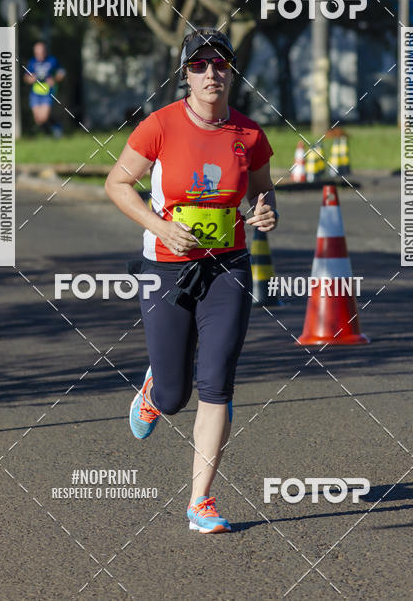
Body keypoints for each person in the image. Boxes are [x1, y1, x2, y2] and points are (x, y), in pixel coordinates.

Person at [105, 28, 278, 533]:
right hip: (166, 268)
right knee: (176, 396)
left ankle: (201, 501)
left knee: (218, 381)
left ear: (231, 71)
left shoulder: (249, 135)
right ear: (185, 73)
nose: (210, 74)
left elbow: (263, 196)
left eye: (220, 64)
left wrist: (265, 213)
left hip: (229, 267)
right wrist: (160, 227)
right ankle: (155, 389)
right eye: (199, 65)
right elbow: (117, 184)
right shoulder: (158, 127)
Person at [23, 41, 65, 135]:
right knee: (38, 120)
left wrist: (54, 79)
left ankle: (56, 128)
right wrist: (31, 79)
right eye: (37, 53)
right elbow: (26, 77)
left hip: (47, 92)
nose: (39, 55)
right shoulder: (32, 62)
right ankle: (54, 128)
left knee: (44, 117)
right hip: (35, 93)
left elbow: (61, 73)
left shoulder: (52, 60)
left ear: (45, 51)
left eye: (41, 52)